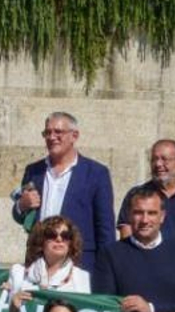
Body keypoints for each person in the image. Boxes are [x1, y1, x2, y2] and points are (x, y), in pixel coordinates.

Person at [10, 112, 114, 270]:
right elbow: (21, 217)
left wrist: (106, 270)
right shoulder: (34, 171)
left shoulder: (96, 173)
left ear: (74, 136)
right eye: (47, 132)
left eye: (58, 132)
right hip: (39, 261)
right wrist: (22, 205)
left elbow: (105, 227)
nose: (52, 137)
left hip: (78, 263)